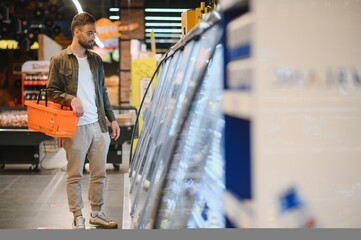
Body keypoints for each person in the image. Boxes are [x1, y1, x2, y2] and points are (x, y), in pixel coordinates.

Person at [46, 12, 120, 229]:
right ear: (76, 31)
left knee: (100, 173)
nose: (92, 37)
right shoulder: (59, 60)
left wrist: (112, 119)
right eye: (89, 33)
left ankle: (96, 213)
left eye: (94, 32)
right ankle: (78, 216)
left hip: (98, 124)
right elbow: (51, 90)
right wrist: (70, 98)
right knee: (75, 174)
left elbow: (102, 92)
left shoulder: (96, 60)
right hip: (75, 126)